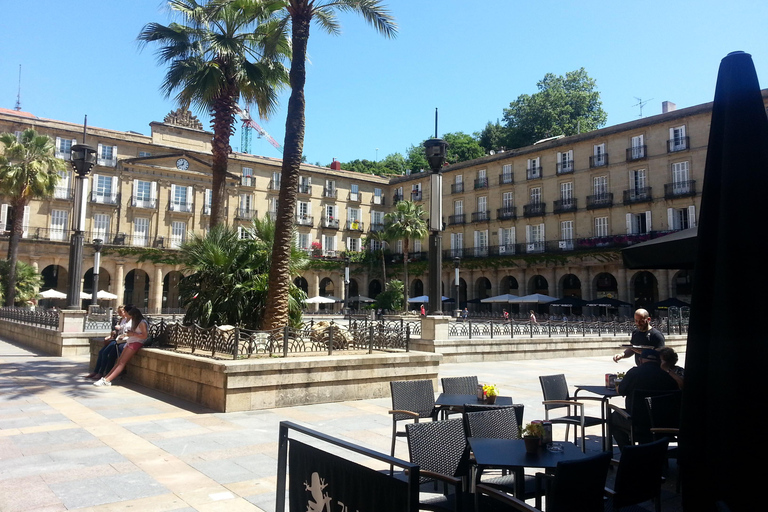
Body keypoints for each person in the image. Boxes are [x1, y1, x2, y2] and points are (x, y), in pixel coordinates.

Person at [610, 349, 678, 450]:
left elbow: (621, 390)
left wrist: (617, 386)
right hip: (664, 424)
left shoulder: (634, 372)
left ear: (640, 360)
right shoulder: (668, 376)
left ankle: (627, 451)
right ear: (658, 361)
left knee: (612, 417)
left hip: (638, 423)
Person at [94, 308, 148, 387]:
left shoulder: (142, 322)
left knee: (122, 362)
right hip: (130, 341)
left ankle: (107, 380)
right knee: (119, 361)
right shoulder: (135, 321)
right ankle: (105, 378)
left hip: (136, 342)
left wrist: (132, 334)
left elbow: (144, 336)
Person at [85, 305, 131, 380]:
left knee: (105, 353)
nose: (119, 313)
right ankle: (96, 371)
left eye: (121, 311)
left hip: (121, 340)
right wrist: (111, 335)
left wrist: (120, 329)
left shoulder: (128, 320)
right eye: (118, 312)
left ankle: (101, 372)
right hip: (116, 338)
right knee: (101, 352)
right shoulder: (120, 320)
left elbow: (126, 331)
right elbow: (116, 331)